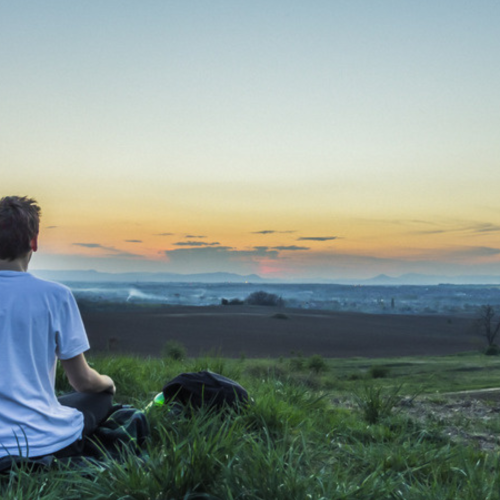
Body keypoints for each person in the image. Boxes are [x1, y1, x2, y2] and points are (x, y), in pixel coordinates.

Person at [0, 195, 116, 459]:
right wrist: (108, 383)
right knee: (100, 396)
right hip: (38, 442)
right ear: (34, 242)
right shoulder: (55, 296)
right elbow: (83, 382)